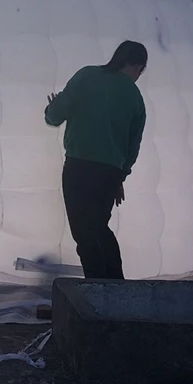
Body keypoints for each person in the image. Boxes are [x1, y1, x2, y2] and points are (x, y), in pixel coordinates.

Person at [44, 41, 147, 282]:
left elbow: (56, 114)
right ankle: (115, 286)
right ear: (139, 67)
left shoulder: (87, 76)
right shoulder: (135, 97)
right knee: (99, 228)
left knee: (85, 234)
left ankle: (97, 290)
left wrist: (51, 108)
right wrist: (120, 177)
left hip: (79, 167)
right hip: (109, 173)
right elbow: (133, 147)